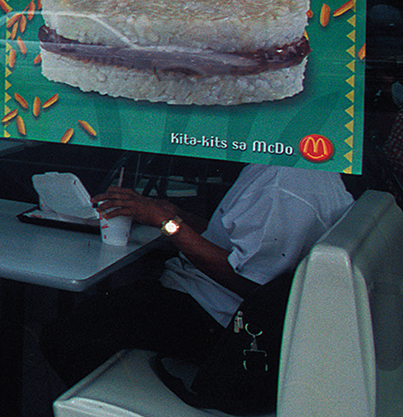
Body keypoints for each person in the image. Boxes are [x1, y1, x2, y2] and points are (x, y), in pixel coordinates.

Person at [39, 163, 353, 387]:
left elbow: (248, 280)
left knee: (63, 336)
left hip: (215, 319)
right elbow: (232, 238)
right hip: (204, 298)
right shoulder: (292, 167)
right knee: (99, 312)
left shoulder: (285, 183)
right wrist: (174, 214)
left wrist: (167, 224)